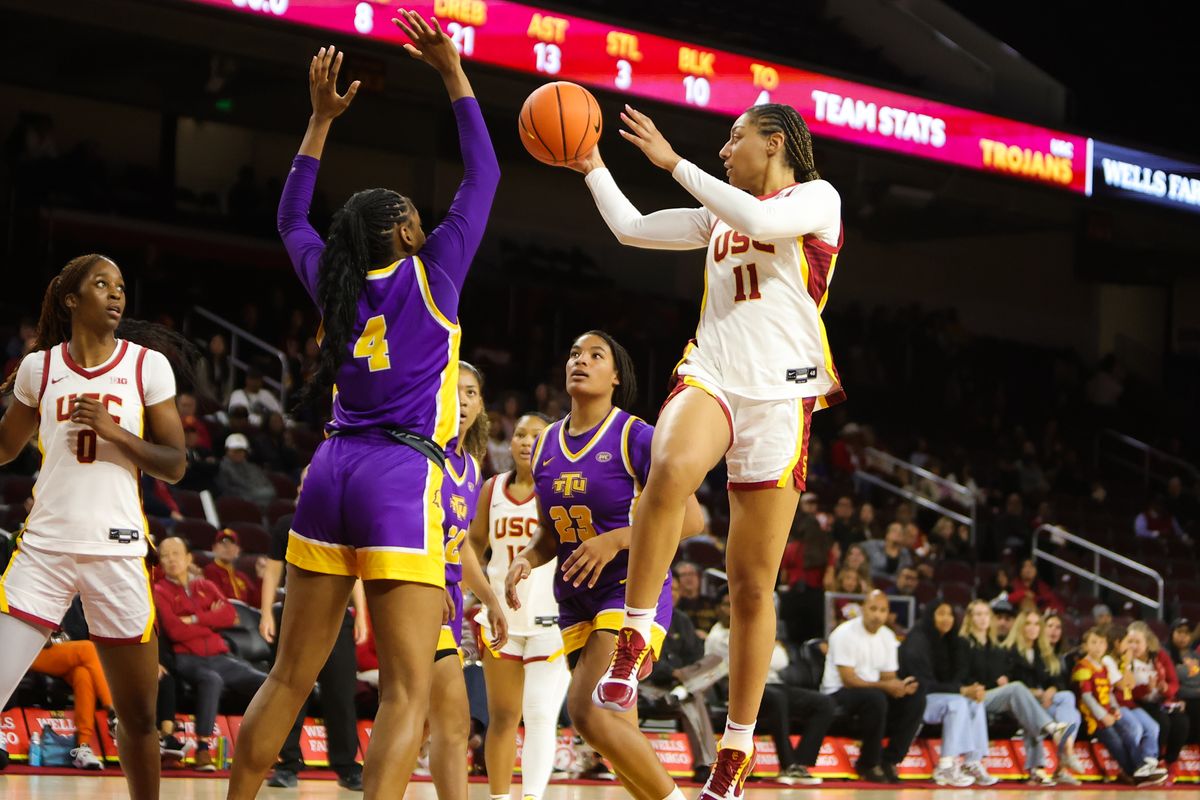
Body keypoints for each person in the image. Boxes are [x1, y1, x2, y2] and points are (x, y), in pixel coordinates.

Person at [225, 18, 499, 799]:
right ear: (409, 231)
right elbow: (483, 179)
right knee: (408, 692)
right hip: (398, 479)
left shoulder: (331, 283)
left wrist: (318, 121)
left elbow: (289, 221)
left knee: (286, 676)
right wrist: (453, 74)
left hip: (329, 472)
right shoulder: (435, 273)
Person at [572, 97, 844, 798]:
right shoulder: (719, 209)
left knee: (751, 586)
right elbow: (632, 228)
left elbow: (759, 220)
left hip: (781, 398)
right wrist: (593, 164)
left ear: (776, 141)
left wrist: (673, 161)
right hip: (716, 371)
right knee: (667, 464)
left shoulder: (817, 197)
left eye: (734, 138)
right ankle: (635, 638)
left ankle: (737, 747)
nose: (724, 151)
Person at [0, 253, 192, 800]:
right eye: (102, 285)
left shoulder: (147, 365)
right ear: (70, 299)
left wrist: (116, 432)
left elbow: (175, 463)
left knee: (136, 717)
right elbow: (5, 447)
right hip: (44, 550)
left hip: (119, 550)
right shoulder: (39, 368)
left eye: (121, 287)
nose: (115, 295)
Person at [506, 330, 704, 800]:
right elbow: (551, 533)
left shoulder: (635, 435)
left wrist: (614, 541)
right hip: (576, 598)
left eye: (596, 356)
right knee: (616, 737)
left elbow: (691, 518)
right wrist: (528, 559)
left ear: (616, 376)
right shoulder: (547, 443)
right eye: (574, 353)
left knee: (587, 711)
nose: (581, 360)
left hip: (631, 591)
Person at [468, 411, 570, 800]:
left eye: (536, 435)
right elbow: (472, 545)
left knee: (541, 714)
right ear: (510, 443)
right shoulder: (492, 489)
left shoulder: (561, 488)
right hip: (502, 620)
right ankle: (498, 797)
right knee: (503, 718)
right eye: (521, 435)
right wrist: (480, 590)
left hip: (552, 620)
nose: (527, 441)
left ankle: (531, 797)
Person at [257, 467, 370, 791]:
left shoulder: (347, 520)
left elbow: (356, 572)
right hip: (297, 615)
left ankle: (347, 766)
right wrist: (266, 613)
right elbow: (273, 573)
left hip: (338, 617)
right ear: (302, 485)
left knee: (341, 695)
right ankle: (288, 764)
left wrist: (361, 614)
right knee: (292, 692)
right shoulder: (285, 524)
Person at [427, 362, 510, 800]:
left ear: (481, 406)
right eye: (453, 389)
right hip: (417, 594)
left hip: (449, 603)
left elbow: (460, 548)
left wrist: (491, 601)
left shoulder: (471, 469)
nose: (461, 399)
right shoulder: (423, 452)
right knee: (453, 720)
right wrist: (431, 579)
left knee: (434, 724)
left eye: (471, 392)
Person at [154, 536, 267, 770]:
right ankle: (203, 749)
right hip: (187, 658)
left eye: (176, 553)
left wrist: (195, 619)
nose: (171, 559)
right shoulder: (159, 591)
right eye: (165, 555)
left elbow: (230, 615)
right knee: (211, 680)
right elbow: (175, 631)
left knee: (265, 683)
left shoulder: (204, 585)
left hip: (220, 656)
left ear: (188, 558)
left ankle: (264, 745)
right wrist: (211, 620)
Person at [707, 589, 833, 785]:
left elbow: (781, 661)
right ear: (717, 609)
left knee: (823, 703)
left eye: (733, 602)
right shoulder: (718, 637)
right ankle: (787, 765)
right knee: (776, 698)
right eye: (726, 604)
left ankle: (800, 764)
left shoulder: (749, 627)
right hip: (740, 691)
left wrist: (764, 652)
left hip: (772, 684)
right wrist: (767, 648)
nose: (731, 608)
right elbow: (753, 663)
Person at [820, 591, 925, 783]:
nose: (877, 615)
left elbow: (888, 676)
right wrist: (886, 686)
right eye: (873, 609)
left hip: (872, 691)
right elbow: (848, 679)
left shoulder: (887, 636)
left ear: (888, 614)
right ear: (863, 609)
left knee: (916, 699)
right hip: (838, 692)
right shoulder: (844, 633)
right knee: (875, 697)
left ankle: (890, 759)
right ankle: (868, 763)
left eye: (883, 610)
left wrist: (900, 687)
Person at [959, 599, 1068, 784]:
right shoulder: (963, 643)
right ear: (969, 618)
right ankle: (1050, 727)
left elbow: (1000, 676)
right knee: (1017, 688)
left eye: (986, 614)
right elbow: (964, 675)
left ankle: (1037, 769)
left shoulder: (994, 645)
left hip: (992, 695)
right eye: (978, 614)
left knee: (1026, 709)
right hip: (970, 696)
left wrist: (999, 680)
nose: (983, 618)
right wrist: (993, 681)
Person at [899, 601, 996, 787]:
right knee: (957, 702)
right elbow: (923, 684)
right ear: (930, 615)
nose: (946, 619)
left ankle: (971, 762)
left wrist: (969, 690)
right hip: (915, 700)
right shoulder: (917, 640)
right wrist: (960, 690)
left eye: (950, 614)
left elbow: (954, 679)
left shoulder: (949, 641)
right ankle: (945, 766)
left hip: (939, 697)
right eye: (941, 614)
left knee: (975, 701)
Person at [1072, 628, 1166, 784]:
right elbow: (1086, 698)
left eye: (1101, 643)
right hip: (1093, 720)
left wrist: (1114, 709)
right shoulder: (1082, 667)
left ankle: (1142, 769)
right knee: (1115, 741)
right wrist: (1104, 716)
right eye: (1093, 642)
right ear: (1085, 646)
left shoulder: (1103, 667)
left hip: (1108, 714)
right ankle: (1136, 772)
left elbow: (1109, 693)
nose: (1098, 646)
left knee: (1129, 735)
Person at [1004, 608, 1084, 783]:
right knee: (1054, 712)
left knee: (1067, 697)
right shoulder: (1009, 650)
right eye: (1028, 624)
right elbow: (1009, 685)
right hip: (1018, 704)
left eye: (1036, 624)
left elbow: (1056, 680)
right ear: (1020, 626)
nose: (1033, 628)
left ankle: (1065, 752)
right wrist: (1035, 693)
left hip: (1042, 703)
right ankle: (1065, 757)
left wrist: (1051, 690)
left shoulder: (1042, 652)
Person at [29, 638, 116, 769]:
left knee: (83, 674)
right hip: (26, 651)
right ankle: (114, 713)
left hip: (60, 653)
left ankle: (83, 748)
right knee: (87, 648)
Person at [1123, 622, 1188, 769]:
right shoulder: (1124, 660)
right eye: (1130, 642)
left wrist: (1165, 688)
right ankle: (1154, 761)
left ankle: (1170, 762)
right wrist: (1146, 689)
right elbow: (1125, 691)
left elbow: (1173, 682)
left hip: (1161, 701)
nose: (1133, 646)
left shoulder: (1160, 656)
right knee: (1163, 722)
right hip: (1137, 703)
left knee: (1182, 723)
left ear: (1147, 642)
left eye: (1137, 642)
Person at [203, 529, 262, 607]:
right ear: (214, 548)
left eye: (232, 543)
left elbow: (258, 604)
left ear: (238, 551)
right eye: (223, 543)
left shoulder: (242, 576)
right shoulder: (209, 571)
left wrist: (261, 577)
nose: (227, 547)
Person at [216, 432, 277, 508]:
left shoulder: (253, 467)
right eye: (235, 450)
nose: (238, 453)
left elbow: (269, 487)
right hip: (239, 505)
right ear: (227, 450)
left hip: (262, 500)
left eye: (241, 450)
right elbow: (226, 491)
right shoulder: (221, 468)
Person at [1166, 619, 1200, 745]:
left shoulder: (1195, 656)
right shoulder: (1166, 654)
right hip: (1178, 697)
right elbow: (1173, 683)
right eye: (1179, 632)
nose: (1183, 636)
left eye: (1186, 633)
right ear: (1172, 633)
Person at [673, 561, 718, 637]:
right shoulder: (674, 604)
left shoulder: (712, 603)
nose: (689, 578)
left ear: (699, 577)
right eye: (684, 575)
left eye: (692, 574)